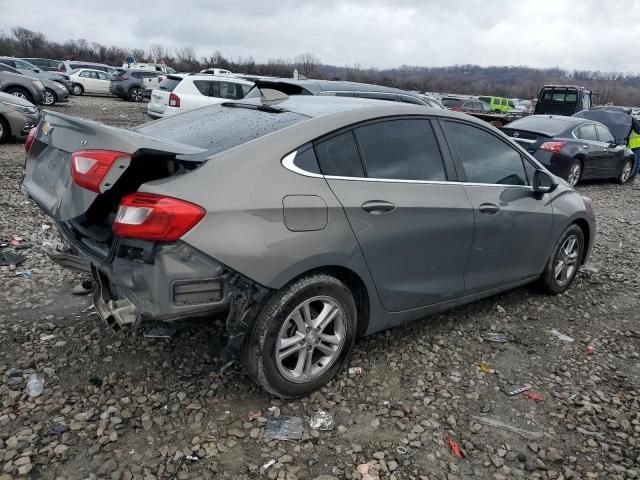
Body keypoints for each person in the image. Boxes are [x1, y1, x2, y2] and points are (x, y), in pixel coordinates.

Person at [627, 116, 640, 181]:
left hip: (637, 145)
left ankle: (632, 177)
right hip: (633, 145)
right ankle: (632, 176)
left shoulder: (633, 122)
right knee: (636, 161)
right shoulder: (634, 121)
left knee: (636, 162)